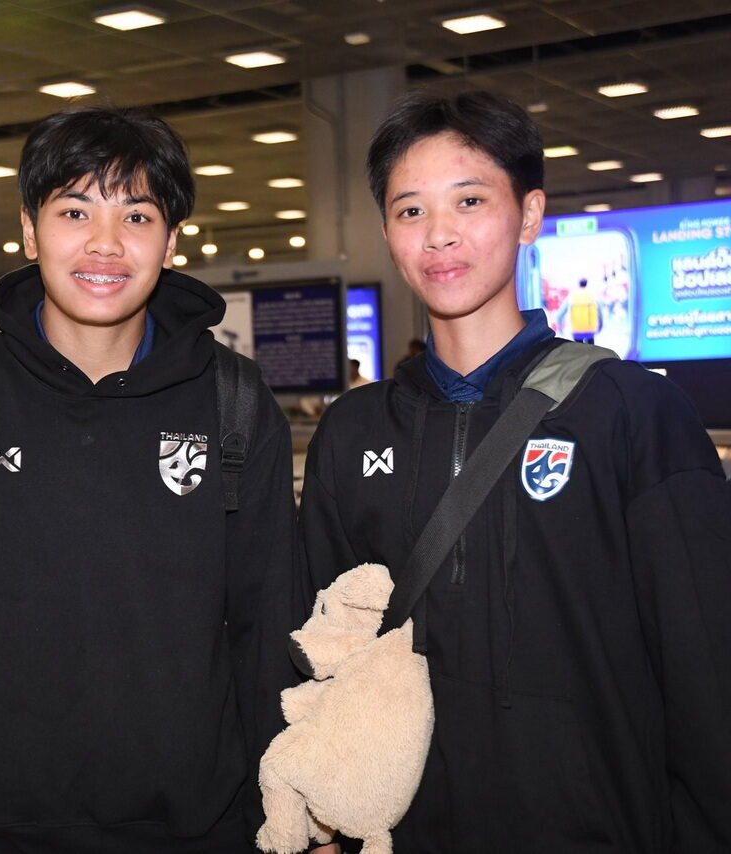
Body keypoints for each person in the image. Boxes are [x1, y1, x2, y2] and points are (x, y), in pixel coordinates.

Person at [299, 90, 731, 853]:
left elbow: (705, 667)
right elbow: (326, 647)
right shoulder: (353, 433)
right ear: (388, 234)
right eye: (410, 210)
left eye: (469, 201)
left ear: (530, 215)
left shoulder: (631, 414)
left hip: (598, 826)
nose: (439, 234)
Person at [0, 107, 302, 854]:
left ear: (171, 240)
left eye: (136, 215)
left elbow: (270, 633)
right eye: (74, 211)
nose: (105, 242)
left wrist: (286, 818)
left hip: (203, 828)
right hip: (8, 830)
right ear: (30, 231)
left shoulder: (232, 401)